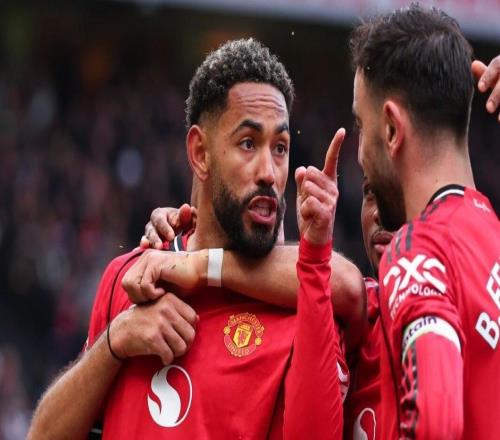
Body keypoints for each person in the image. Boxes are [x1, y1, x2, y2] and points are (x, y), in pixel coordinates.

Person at [136, 52, 500, 440]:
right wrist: (187, 243)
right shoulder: (355, 319)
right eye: (369, 194)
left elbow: (339, 279)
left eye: (393, 195)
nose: (380, 214)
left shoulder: (475, 289)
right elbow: (331, 279)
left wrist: (196, 263)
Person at [28, 38, 354, 439]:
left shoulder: (301, 304)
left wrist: (202, 267)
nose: (269, 172)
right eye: (248, 144)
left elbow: (346, 284)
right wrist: (115, 342)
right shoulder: (130, 278)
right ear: (200, 153)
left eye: (281, 148)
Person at [350, 4, 500, 438]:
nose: (360, 154)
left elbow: (435, 420)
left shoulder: (417, 253)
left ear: (391, 130)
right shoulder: (490, 236)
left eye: (361, 125)